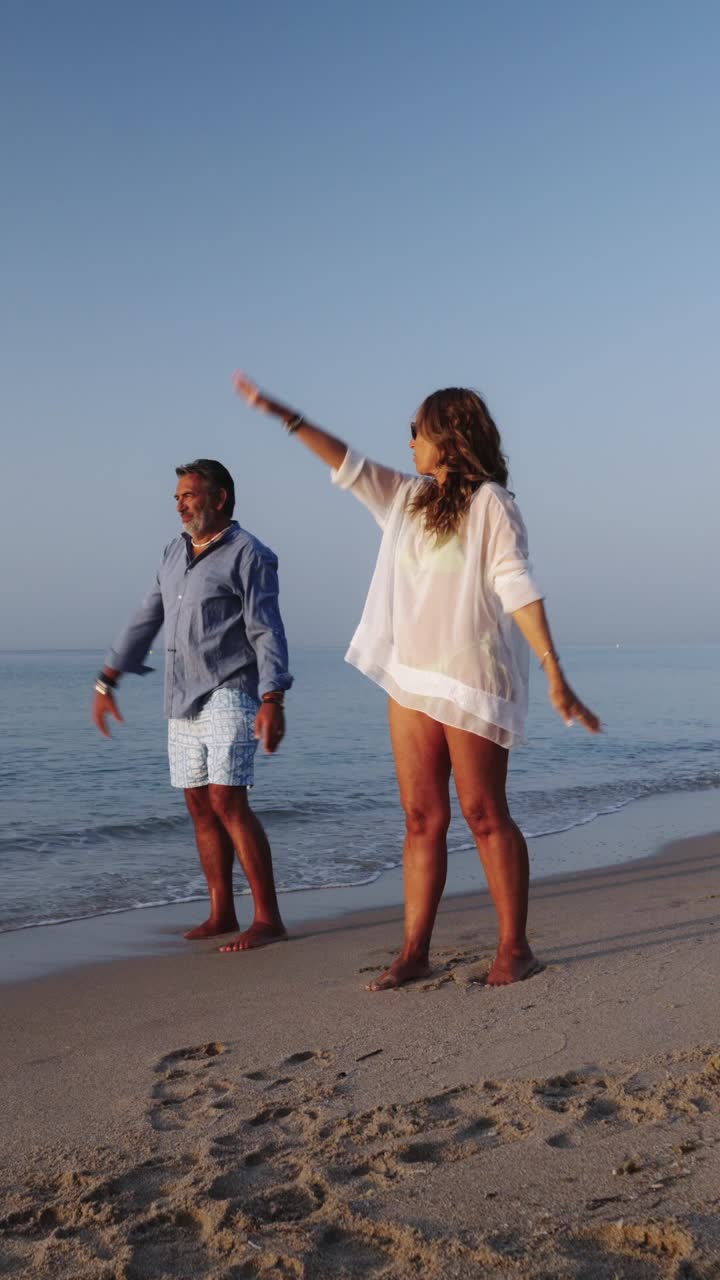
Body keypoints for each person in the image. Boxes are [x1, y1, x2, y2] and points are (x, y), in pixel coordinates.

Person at [233, 373, 601, 990]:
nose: (409, 444)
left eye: (417, 433)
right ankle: (414, 951)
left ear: (448, 438)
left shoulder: (493, 506)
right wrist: (286, 417)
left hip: (472, 677)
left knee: (484, 812)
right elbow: (346, 462)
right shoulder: (404, 499)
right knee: (420, 817)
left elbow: (516, 585)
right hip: (411, 679)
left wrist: (554, 672)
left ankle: (515, 948)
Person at [92, 458, 292, 953]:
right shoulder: (171, 553)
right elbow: (146, 616)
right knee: (199, 806)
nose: (181, 504)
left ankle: (268, 918)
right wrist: (108, 679)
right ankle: (221, 912)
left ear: (219, 497)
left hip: (232, 688)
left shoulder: (249, 553)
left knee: (228, 801)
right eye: (177, 497)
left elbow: (266, 628)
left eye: (190, 495)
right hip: (180, 695)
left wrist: (273, 697)